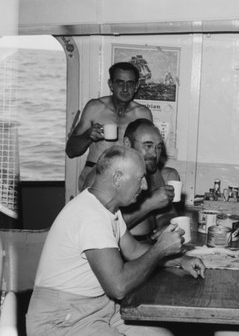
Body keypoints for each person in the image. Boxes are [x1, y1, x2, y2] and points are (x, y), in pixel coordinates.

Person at [26, 146, 205, 336]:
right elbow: (118, 286)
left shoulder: (108, 209)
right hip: (62, 320)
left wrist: (177, 260)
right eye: (140, 178)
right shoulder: (90, 216)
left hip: (98, 308)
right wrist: (160, 249)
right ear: (117, 178)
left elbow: (134, 249)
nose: (144, 186)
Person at [83, 118, 180, 240]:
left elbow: (166, 213)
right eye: (148, 146)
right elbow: (99, 229)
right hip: (118, 248)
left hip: (146, 243)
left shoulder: (152, 170)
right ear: (127, 143)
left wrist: (165, 226)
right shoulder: (106, 173)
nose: (155, 154)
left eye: (158, 147)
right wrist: (149, 204)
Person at [66, 61, 153, 191]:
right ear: (111, 84)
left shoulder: (143, 114)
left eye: (130, 83)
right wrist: (87, 136)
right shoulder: (95, 107)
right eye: (119, 83)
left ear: (136, 86)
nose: (125, 88)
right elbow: (71, 151)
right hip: (94, 175)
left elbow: (149, 155)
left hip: (126, 178)